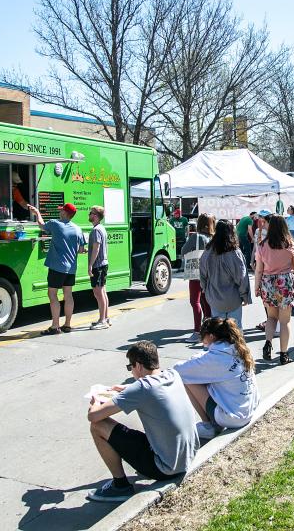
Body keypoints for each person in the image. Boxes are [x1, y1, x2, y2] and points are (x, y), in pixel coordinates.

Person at [87, 341, 198, 501]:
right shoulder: (172, 375)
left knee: (98, 426)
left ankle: (120, 486)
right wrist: (126, 389)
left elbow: (94, 416)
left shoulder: (142, 388)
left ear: (138, 366)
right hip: (187, 457)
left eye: (130, 366)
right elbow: (151, 390)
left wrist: (96, 400)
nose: (131, 371)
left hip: (165, 468)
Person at [174, 318, 260, 439]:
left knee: (188, 379)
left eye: (203, 339)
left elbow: (179, 370)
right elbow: (210, 360)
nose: (203, 342)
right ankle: (213, 422)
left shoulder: (217, 358)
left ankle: (209, 426)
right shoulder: (237, 348)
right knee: (203, 376)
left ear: (211, 336)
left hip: (233, 418)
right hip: (248, 410)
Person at [26, 202, 85, 335]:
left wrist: (37, 213)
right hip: (71, 268)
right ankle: (68, 325)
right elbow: (81, 250)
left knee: (52, 294)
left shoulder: (55, 223)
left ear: (65, 213)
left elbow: (41, 226)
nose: (60, 212)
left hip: (57, 267)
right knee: (68, 295)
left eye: (61, 210)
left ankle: (55, 326)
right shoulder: (77, 228)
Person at [253, 214, 294, 364]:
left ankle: (268, 342)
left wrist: (256, 287)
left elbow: (259, 269)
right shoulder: (289, 243)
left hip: (267, 283)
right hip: (285, 282)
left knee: (271, 318)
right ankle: (284, 354)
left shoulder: (261, 245)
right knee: (285, 321)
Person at [200, 220, 252, 327]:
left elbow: (202, 275)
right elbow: (241, 277)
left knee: (218, 332)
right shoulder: (235, 252)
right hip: (233, 299)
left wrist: (206, 290)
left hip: (214, 298)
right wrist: (245, 296)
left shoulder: (208, 251)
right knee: (235, 330)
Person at [182, 214, 214, 342]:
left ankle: (197, 331)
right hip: (210, 273)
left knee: (195, 301)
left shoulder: (196, 237)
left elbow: (184, 250)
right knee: (206, 301)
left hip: (196, 273)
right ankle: (208, 328)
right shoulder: (213, 237)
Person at [88, 205, 111, 329]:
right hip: (103, 263)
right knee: (102, 291)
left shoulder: (96, 230)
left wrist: (90, 265)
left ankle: (102, 321)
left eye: (90, 213)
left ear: (95, 216)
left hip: (98, 265)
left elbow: (96, 248)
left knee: (98, 292)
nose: (89, 215)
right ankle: (105, 318)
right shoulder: (101, 228)